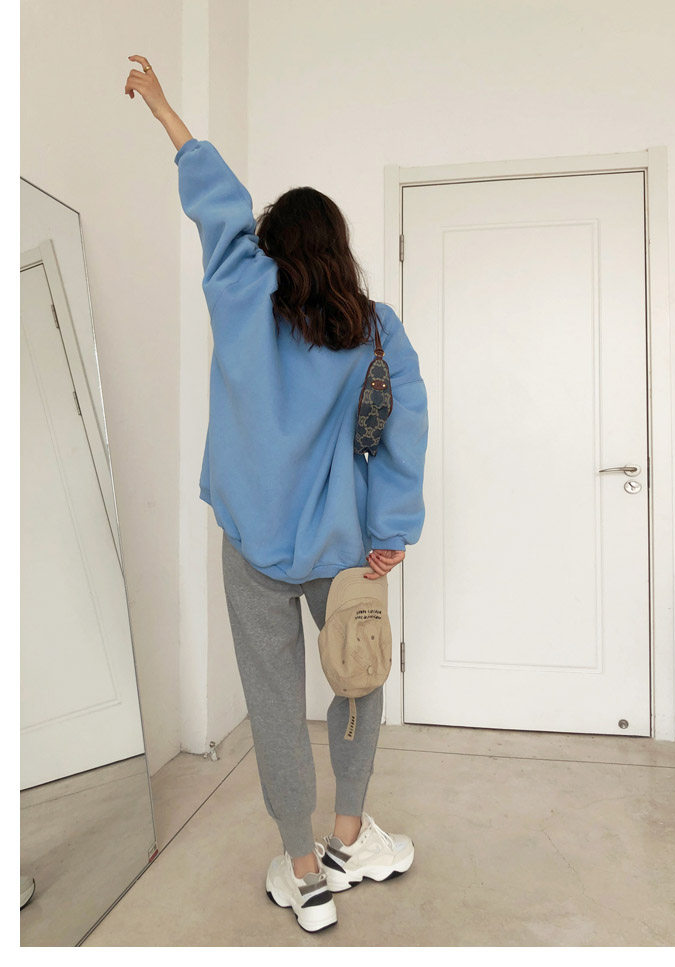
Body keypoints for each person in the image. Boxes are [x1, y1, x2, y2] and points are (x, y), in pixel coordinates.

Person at [125, 55, 428, 933]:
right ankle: (347, 837)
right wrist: (391, 529)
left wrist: (165, 111)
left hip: (253, 540)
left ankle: (302, 870)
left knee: (271, 701)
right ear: (338, 247)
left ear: (270, 247)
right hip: (342, 545)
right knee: (358, 679)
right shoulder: (374, 327)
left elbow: (218, 208)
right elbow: (405, 428)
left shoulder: (241, 299)